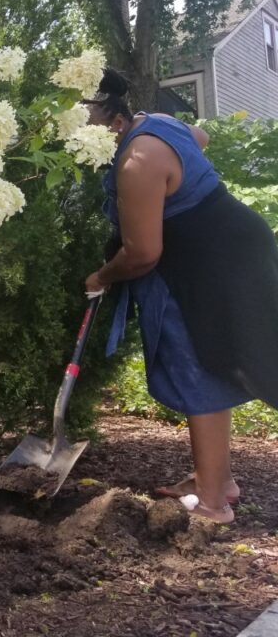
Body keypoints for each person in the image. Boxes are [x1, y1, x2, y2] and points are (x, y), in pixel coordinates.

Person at [83, 69, 278, 523]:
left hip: (210, 267)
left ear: (112, 121)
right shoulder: (158, 125)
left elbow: (144, 253)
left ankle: (212, 504)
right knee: (211, 363)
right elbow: (201, 136)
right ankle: (219, 479)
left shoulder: (137, 159)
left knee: (197, 369)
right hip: (236, 244)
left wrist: (102, 276)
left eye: (83, 118)